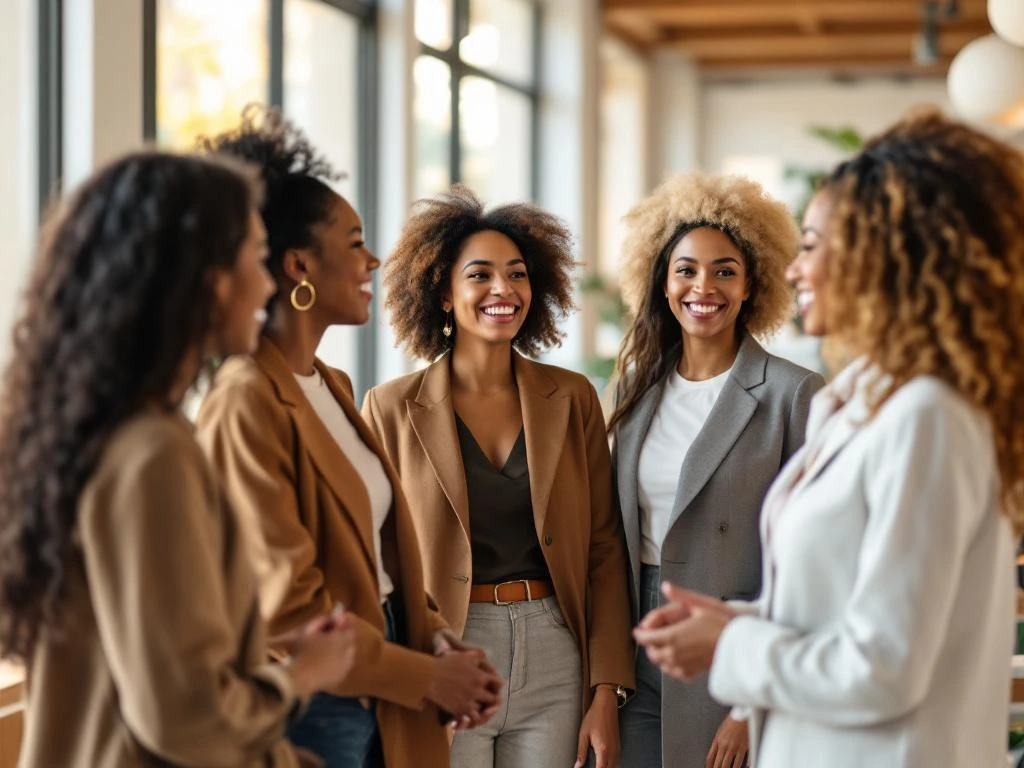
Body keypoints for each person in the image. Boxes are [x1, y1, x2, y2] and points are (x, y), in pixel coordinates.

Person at [634, 111, 1024, 768]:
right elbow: (836, 604)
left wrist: (729, 650)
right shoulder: (865, 402)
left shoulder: (930, 419)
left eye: (812, 245)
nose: (793, 270)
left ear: (882, 254)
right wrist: (738, 621)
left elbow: (883, 666)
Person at [0, 151, 360, 767]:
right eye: (254, 254)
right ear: (205, 277)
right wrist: (301, 675)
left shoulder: (99, 436)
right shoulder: (154, 455)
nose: (269, 281)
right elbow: (189, 718)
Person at [195, 109, 501, 768]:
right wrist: (428, 678)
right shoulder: (245, 398)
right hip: (320, 705)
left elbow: (378, 554)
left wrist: (442, 643)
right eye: (355, 240)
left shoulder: (330, 384)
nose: (373, 259)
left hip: (384, 674)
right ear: (300, 265)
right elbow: (284, 611)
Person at [362, 185, 634, 768]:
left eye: (516, 275)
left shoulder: (573, 397)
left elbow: (604, 548)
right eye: (480, 275)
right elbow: (375, 555)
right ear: (442, 292)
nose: (503, 290)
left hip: (556, 647)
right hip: (449, 651)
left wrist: (607, 688)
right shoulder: (389, 408)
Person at [609, 172, 824, 768]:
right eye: (686, 269)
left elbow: (811, 559)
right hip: (636, 642)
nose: (704, 286)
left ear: (753, 284)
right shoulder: (633, 393)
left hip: (730, 645)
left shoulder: (794, 395)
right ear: (661, 281)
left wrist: (749, 705)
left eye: (724, 270)